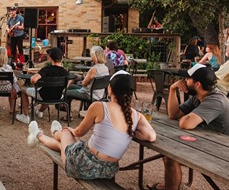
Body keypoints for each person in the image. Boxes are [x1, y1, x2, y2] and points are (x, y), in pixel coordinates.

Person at [27, 71, 156, 181]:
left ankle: (45, 134)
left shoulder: (99, 106)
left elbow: (78, 132)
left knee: (66, 133)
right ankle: (46, 133)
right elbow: (151, 136)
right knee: (67, 145)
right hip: (108, 171)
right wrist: (131, 132)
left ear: (110, 89)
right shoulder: (136, 115)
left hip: (83, 166)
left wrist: (70, 130)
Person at [148, 64, 229, 190]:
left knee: (172, 157)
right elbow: (174, 114)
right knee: (170, 153)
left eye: (188, 79)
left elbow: (185, 124)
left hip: (228, 153)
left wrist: (186, 118)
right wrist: (173, 89)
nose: (184, 81)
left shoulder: (215, 100)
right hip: (213, 142)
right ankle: (171, 188)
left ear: (197, 84)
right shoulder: (199, 96)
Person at [20, 47, 69, 121]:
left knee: (23, 90)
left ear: (50, 58)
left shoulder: (47, 69)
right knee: (49, 90)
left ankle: (25, 116)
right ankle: (40, 111)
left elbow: (33, 80)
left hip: (43, 95)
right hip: (58, 97)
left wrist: (33, 80)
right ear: (61, 58)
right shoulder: (65, 72)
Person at [65, 46, 110, 120]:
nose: (91, 58)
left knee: (67, 93)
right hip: (99, 94)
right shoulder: (105, 68)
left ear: (95, 57)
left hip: (90, 94)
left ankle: (68, 115)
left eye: (92, 56)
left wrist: (83, 79)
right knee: (71, 86)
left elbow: (84, 83)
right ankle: (69, 111)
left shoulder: (94, 69)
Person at [0, 47, 21, 121]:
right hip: (7, 89)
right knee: (16, 85)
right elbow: (14, 80)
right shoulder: (8, 68)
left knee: (13, 85)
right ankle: (12, 108)